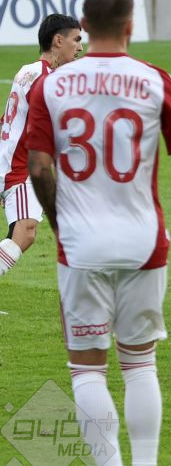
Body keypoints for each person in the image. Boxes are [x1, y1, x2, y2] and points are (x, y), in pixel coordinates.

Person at [26, 0, 171, 466]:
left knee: (87, 370)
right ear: (131, 26)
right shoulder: (156, 79)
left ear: (84, 28)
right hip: (143, 241)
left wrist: (61, 222)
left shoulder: (53, 84)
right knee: (139, 363)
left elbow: (39, 167)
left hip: (80, 245)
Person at [0, 14, 82, 277]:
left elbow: (9, 118)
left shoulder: (28, 70)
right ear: (58, 40)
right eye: (76, 40)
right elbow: (44, 130)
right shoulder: (46, 80)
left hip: (8, 159)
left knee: (20, 232)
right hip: (21, 168)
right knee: (25, 232)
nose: (80, 47)